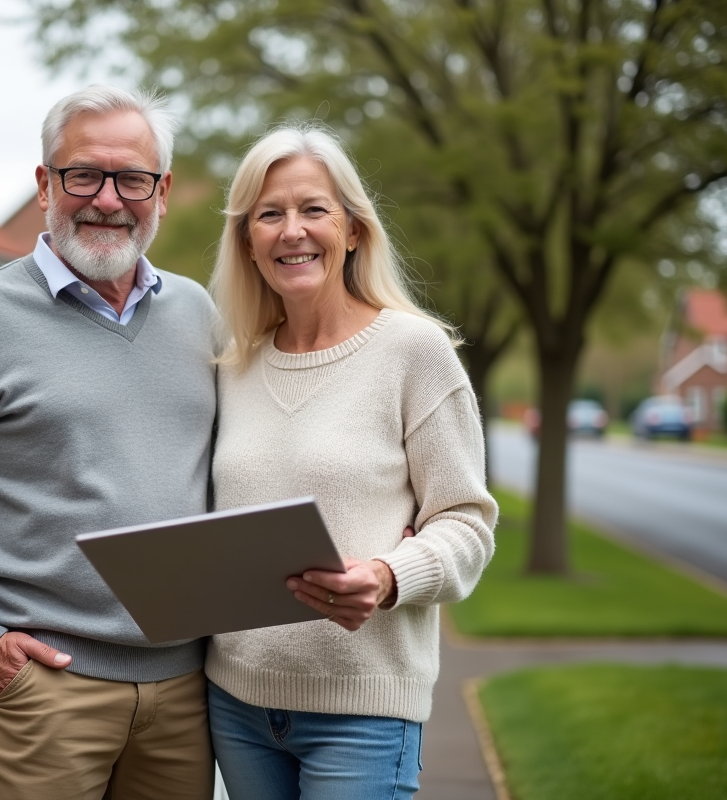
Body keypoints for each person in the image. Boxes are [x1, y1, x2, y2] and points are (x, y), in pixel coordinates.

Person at [0, 85, 219, 800]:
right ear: (44, 183)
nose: (107, 199)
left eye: (132, 179)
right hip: (43, 686)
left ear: (164, 190)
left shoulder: (197, 312)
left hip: (185, 689)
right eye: (83, 174)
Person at [204, 124, 498, 800]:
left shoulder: (414, 352)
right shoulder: (232, 364)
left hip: (363, 709)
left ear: (354, 230)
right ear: (247, 241)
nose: (292, 231)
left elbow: (468, 522)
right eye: (269, 214)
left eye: (313, 209)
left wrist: (390, 575)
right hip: (236, 702)